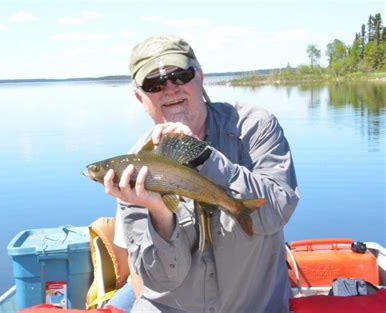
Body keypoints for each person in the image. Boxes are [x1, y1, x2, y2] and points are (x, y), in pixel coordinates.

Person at [104, 34, 299, 313]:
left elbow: (277, 210)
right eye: (154, 83)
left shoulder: (254, 127)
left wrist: (203, 156)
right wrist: (159, 212)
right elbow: (159, 278)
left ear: (200, 77)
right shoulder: (132, 171)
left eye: (180, 75)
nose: (170, 89)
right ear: (140, 96)